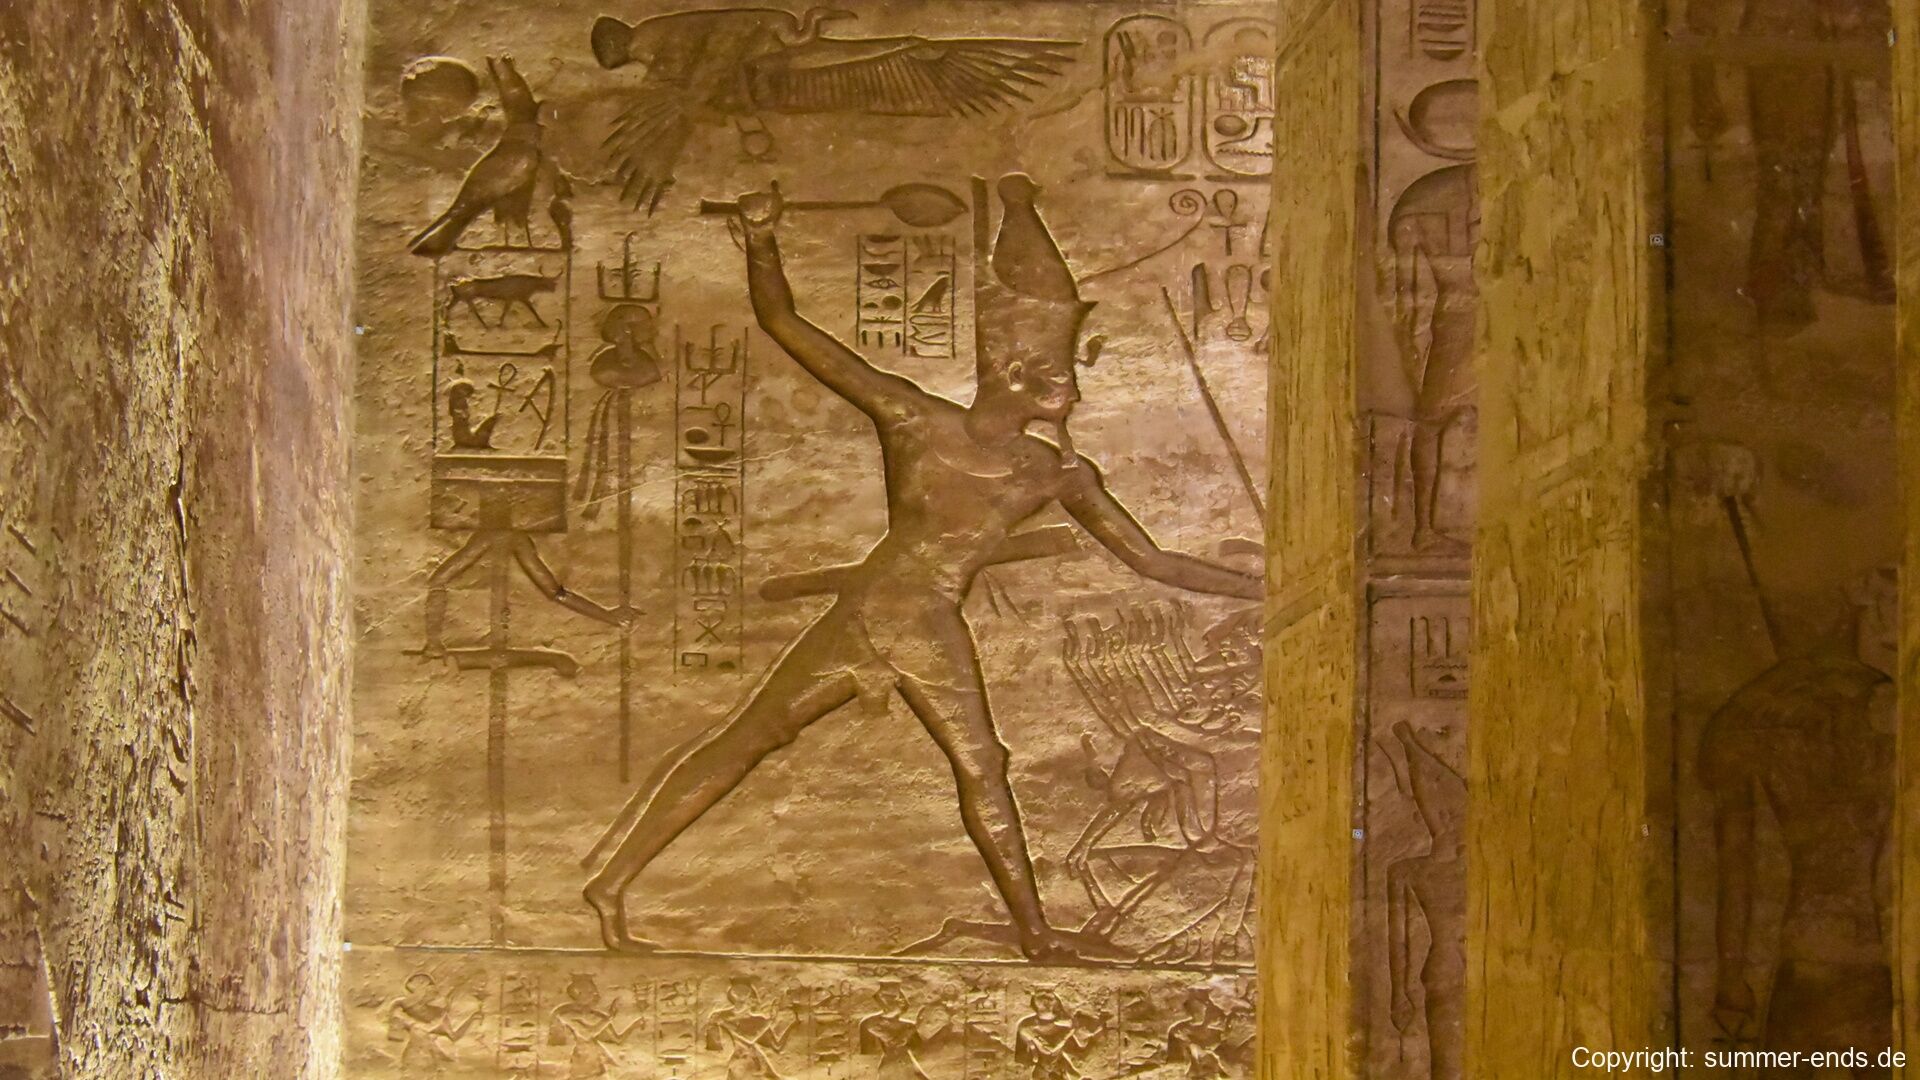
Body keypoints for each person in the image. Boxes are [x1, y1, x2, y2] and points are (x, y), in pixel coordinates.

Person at [582, 175, 1261, 961]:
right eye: (1060, 376)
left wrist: (1259, 587)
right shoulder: (914, 419)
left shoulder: (1054, 473)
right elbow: (785, 324)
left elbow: (1151, 559)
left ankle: (615, 883)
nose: (1074, 390)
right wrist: (762, 241)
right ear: (1014, 372)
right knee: (966, 765)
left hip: (900, 611)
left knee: (766, 742)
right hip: (903, 613)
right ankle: (1035, 935)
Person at [1703, 568, 1895, 1074]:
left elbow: (1736, 870)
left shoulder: (1749, 714)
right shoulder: (1890, 705)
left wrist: (1731, 983)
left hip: (1808, 949)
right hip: (1878, 952)